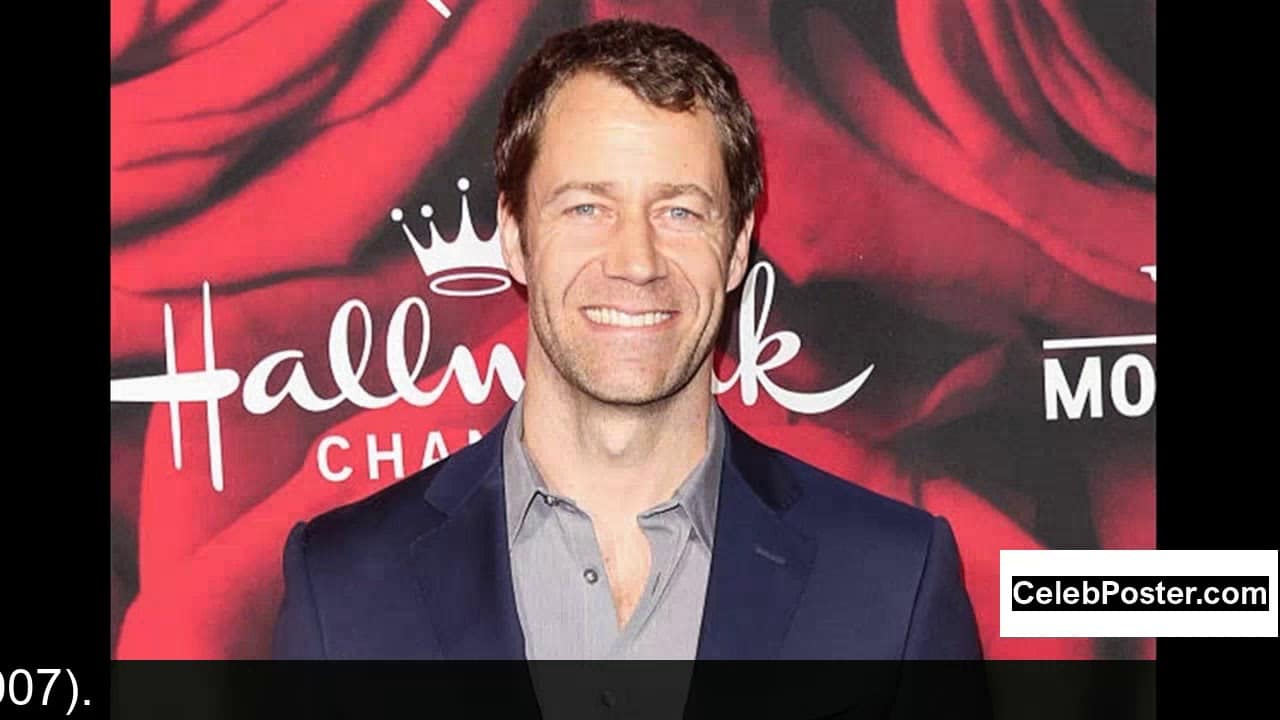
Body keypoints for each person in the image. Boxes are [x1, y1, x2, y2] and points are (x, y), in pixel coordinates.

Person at [273, 18, 981, 662]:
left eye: (679, 211)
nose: (636, 261)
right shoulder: (343, 587)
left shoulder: (895, 581)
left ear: (736, 248)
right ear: (515, 240)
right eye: (587, 207)